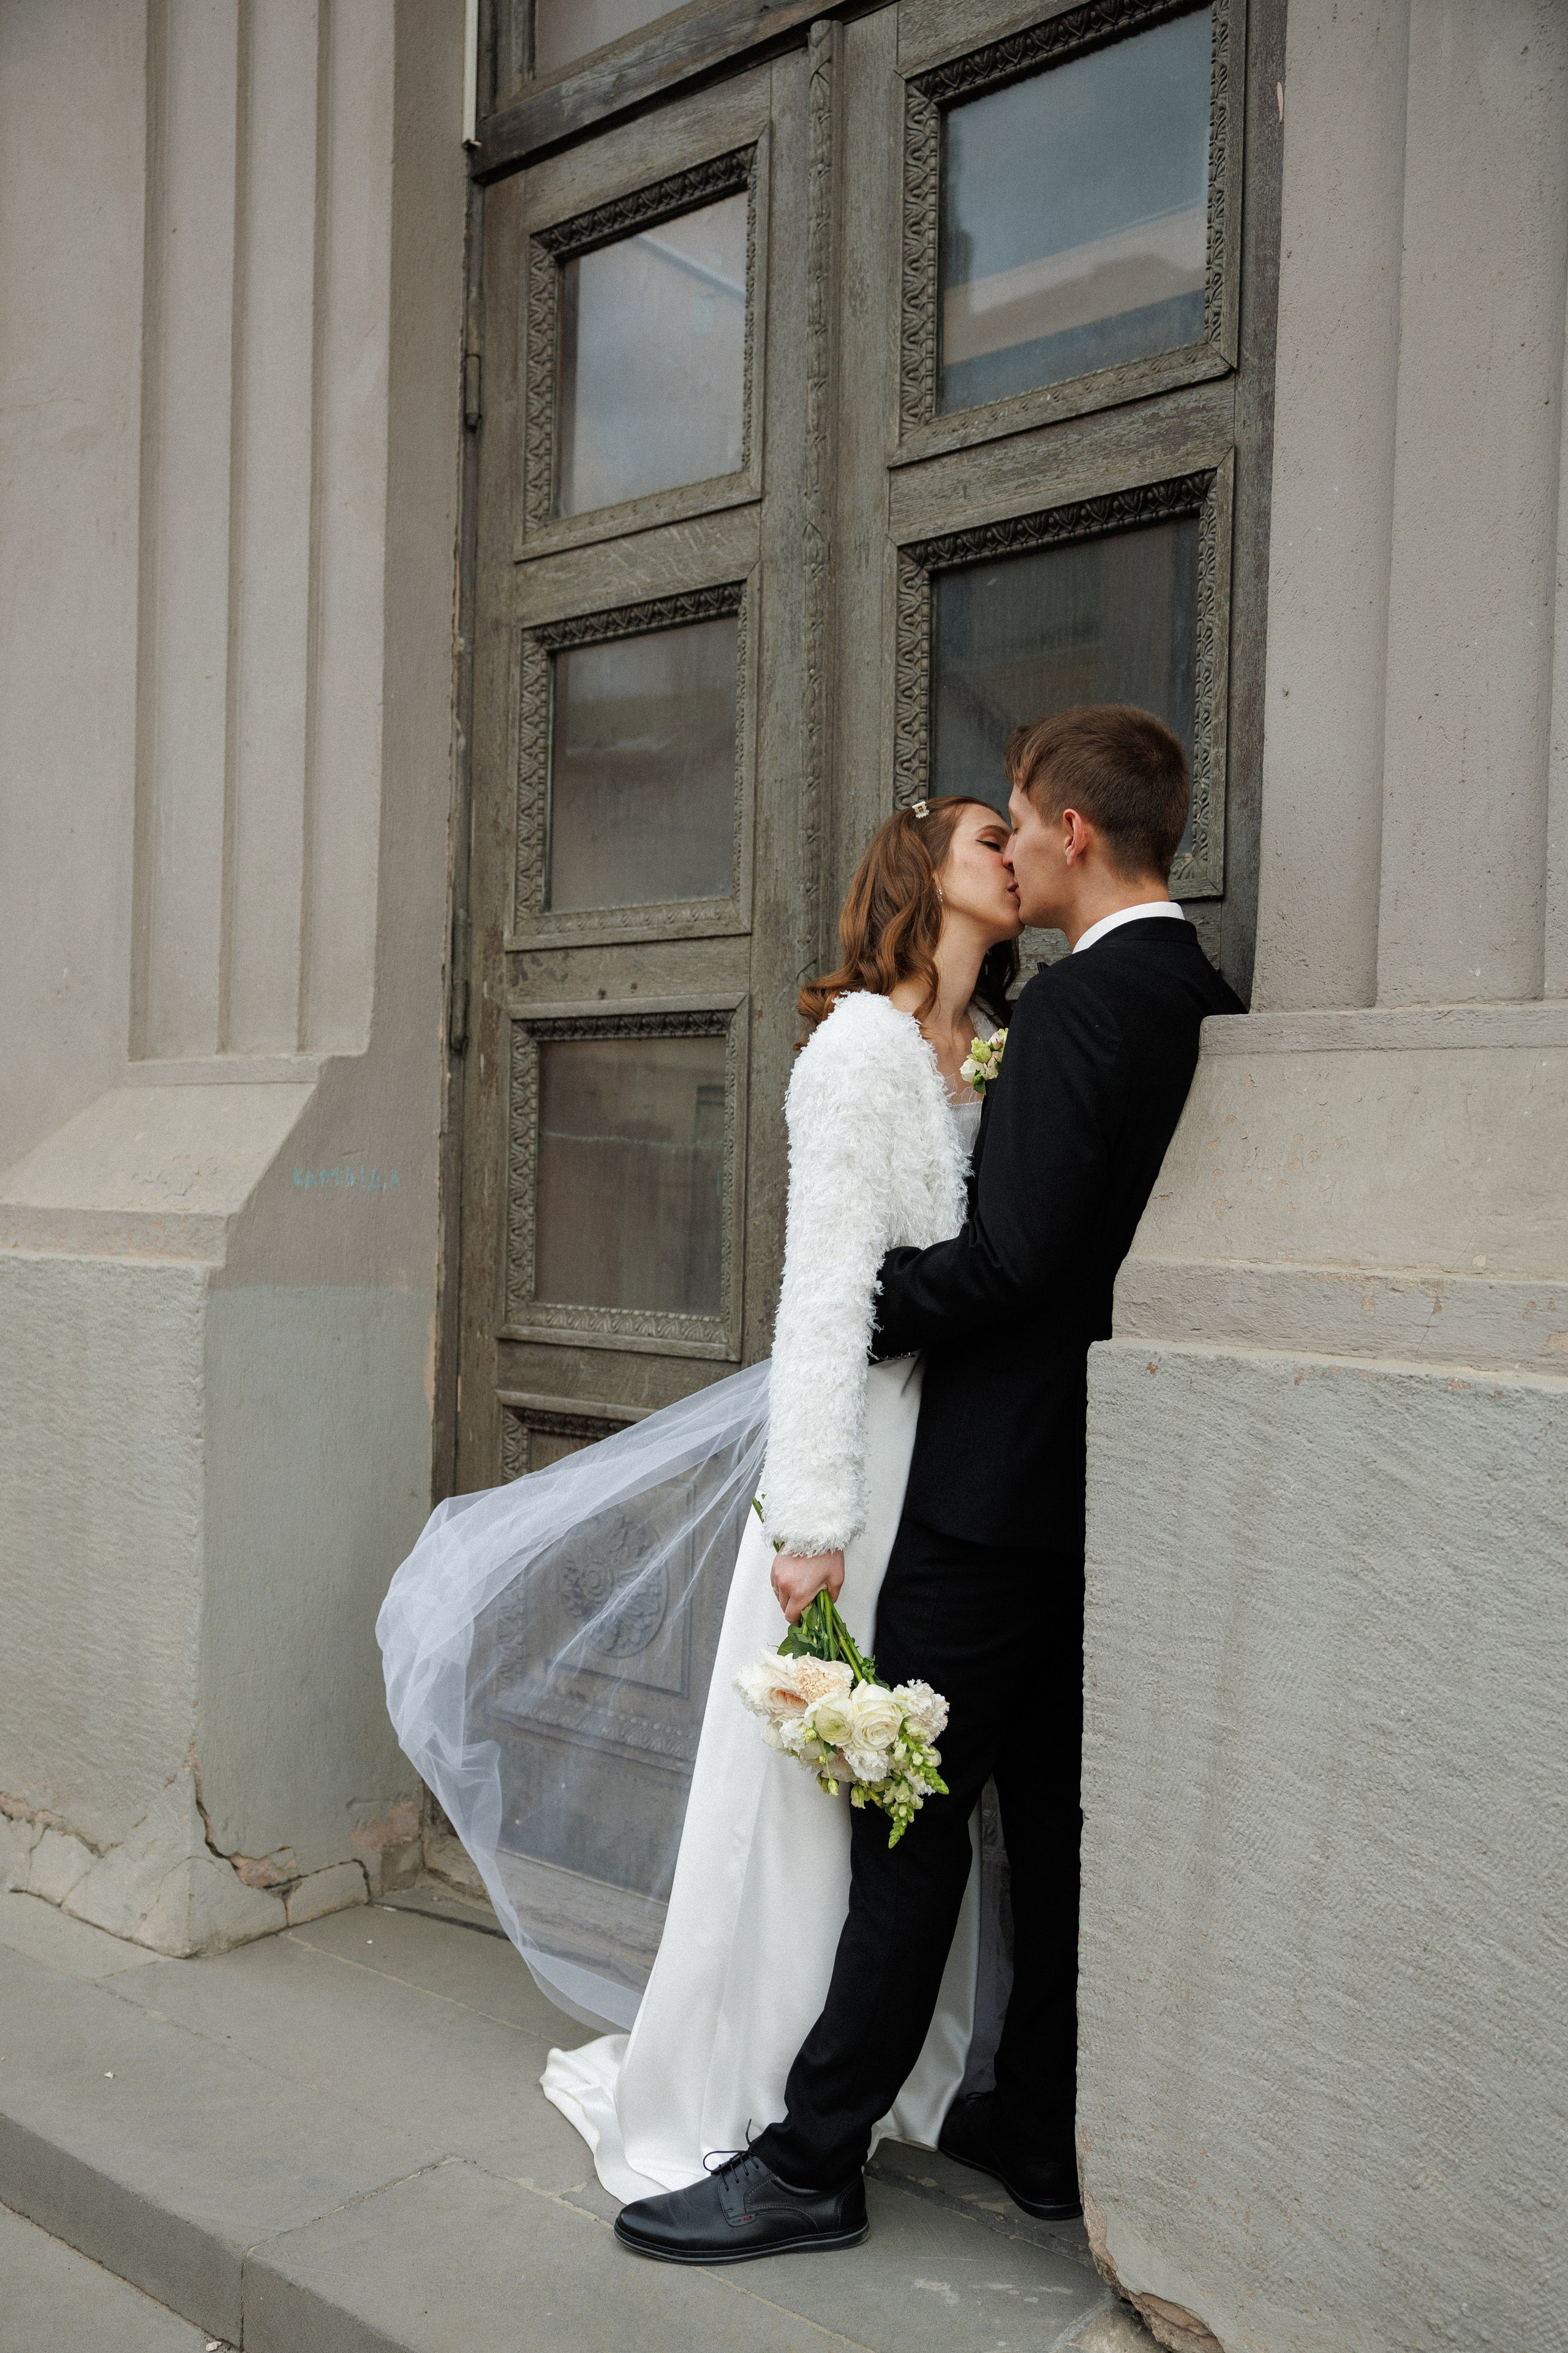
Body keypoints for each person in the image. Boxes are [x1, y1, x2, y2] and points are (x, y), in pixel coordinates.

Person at [613, 703, 1246, 2264]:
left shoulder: (1076, 1007)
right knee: (1045, 1826)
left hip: (982, 1489)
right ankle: (1029, 2125)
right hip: (1074, 1486)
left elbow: (1015, 1255)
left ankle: (811, 2159)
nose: (1010, 847)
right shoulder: (1200, 996)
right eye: (985, 833)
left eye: (1015, 819)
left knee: (910, 1832)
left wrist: (872, 1302)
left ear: (1070, 832)